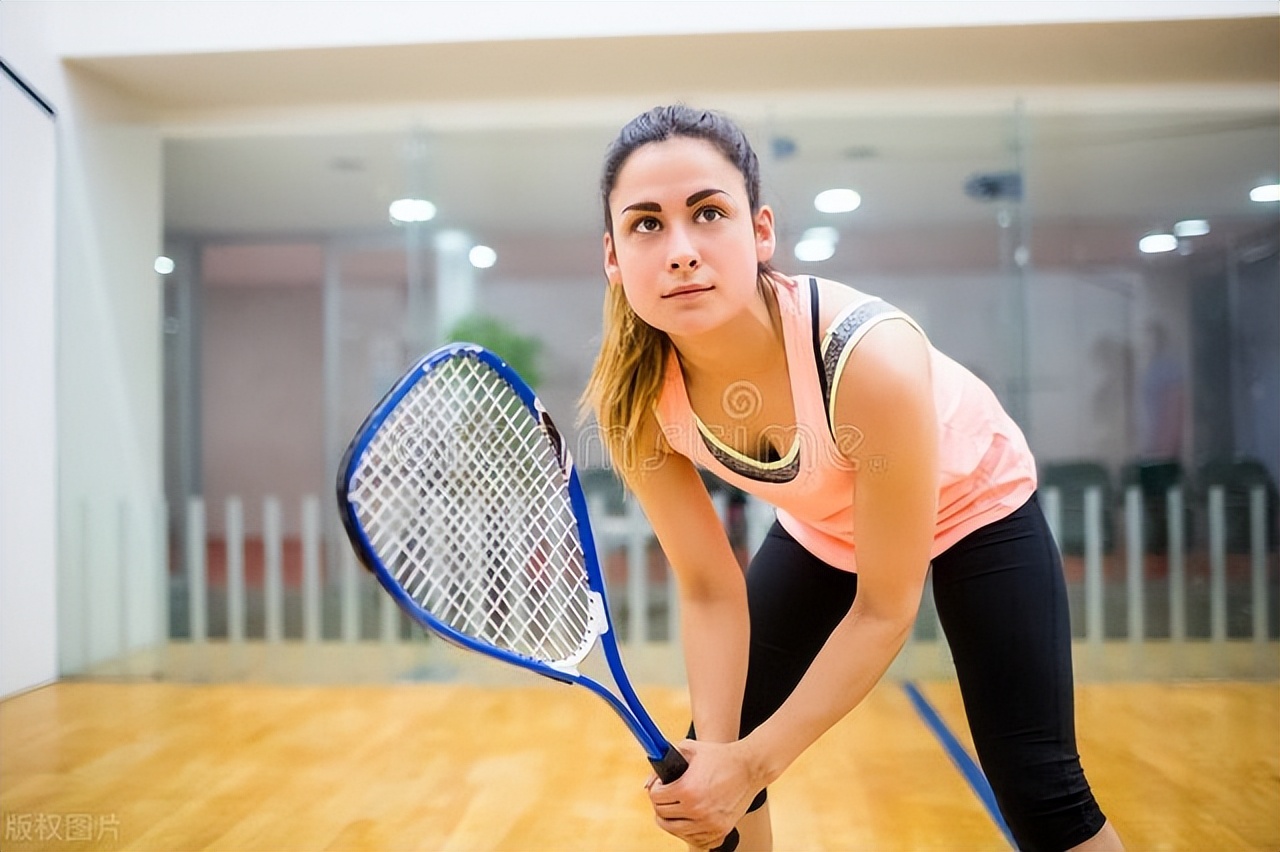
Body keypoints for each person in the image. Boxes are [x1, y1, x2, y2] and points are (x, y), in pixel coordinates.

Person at [580, 105, 1125, 852]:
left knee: (1039, 790)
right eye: (645, 224)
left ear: (760, 231)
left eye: (708, 212)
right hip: (825, 528)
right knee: (718, 766)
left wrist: (751, 764)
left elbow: (883, 610)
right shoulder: (632, 404)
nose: (680, 250)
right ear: (612, 256)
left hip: (976, 504)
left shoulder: (869, 359)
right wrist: (722, 754)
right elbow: (710, 587)